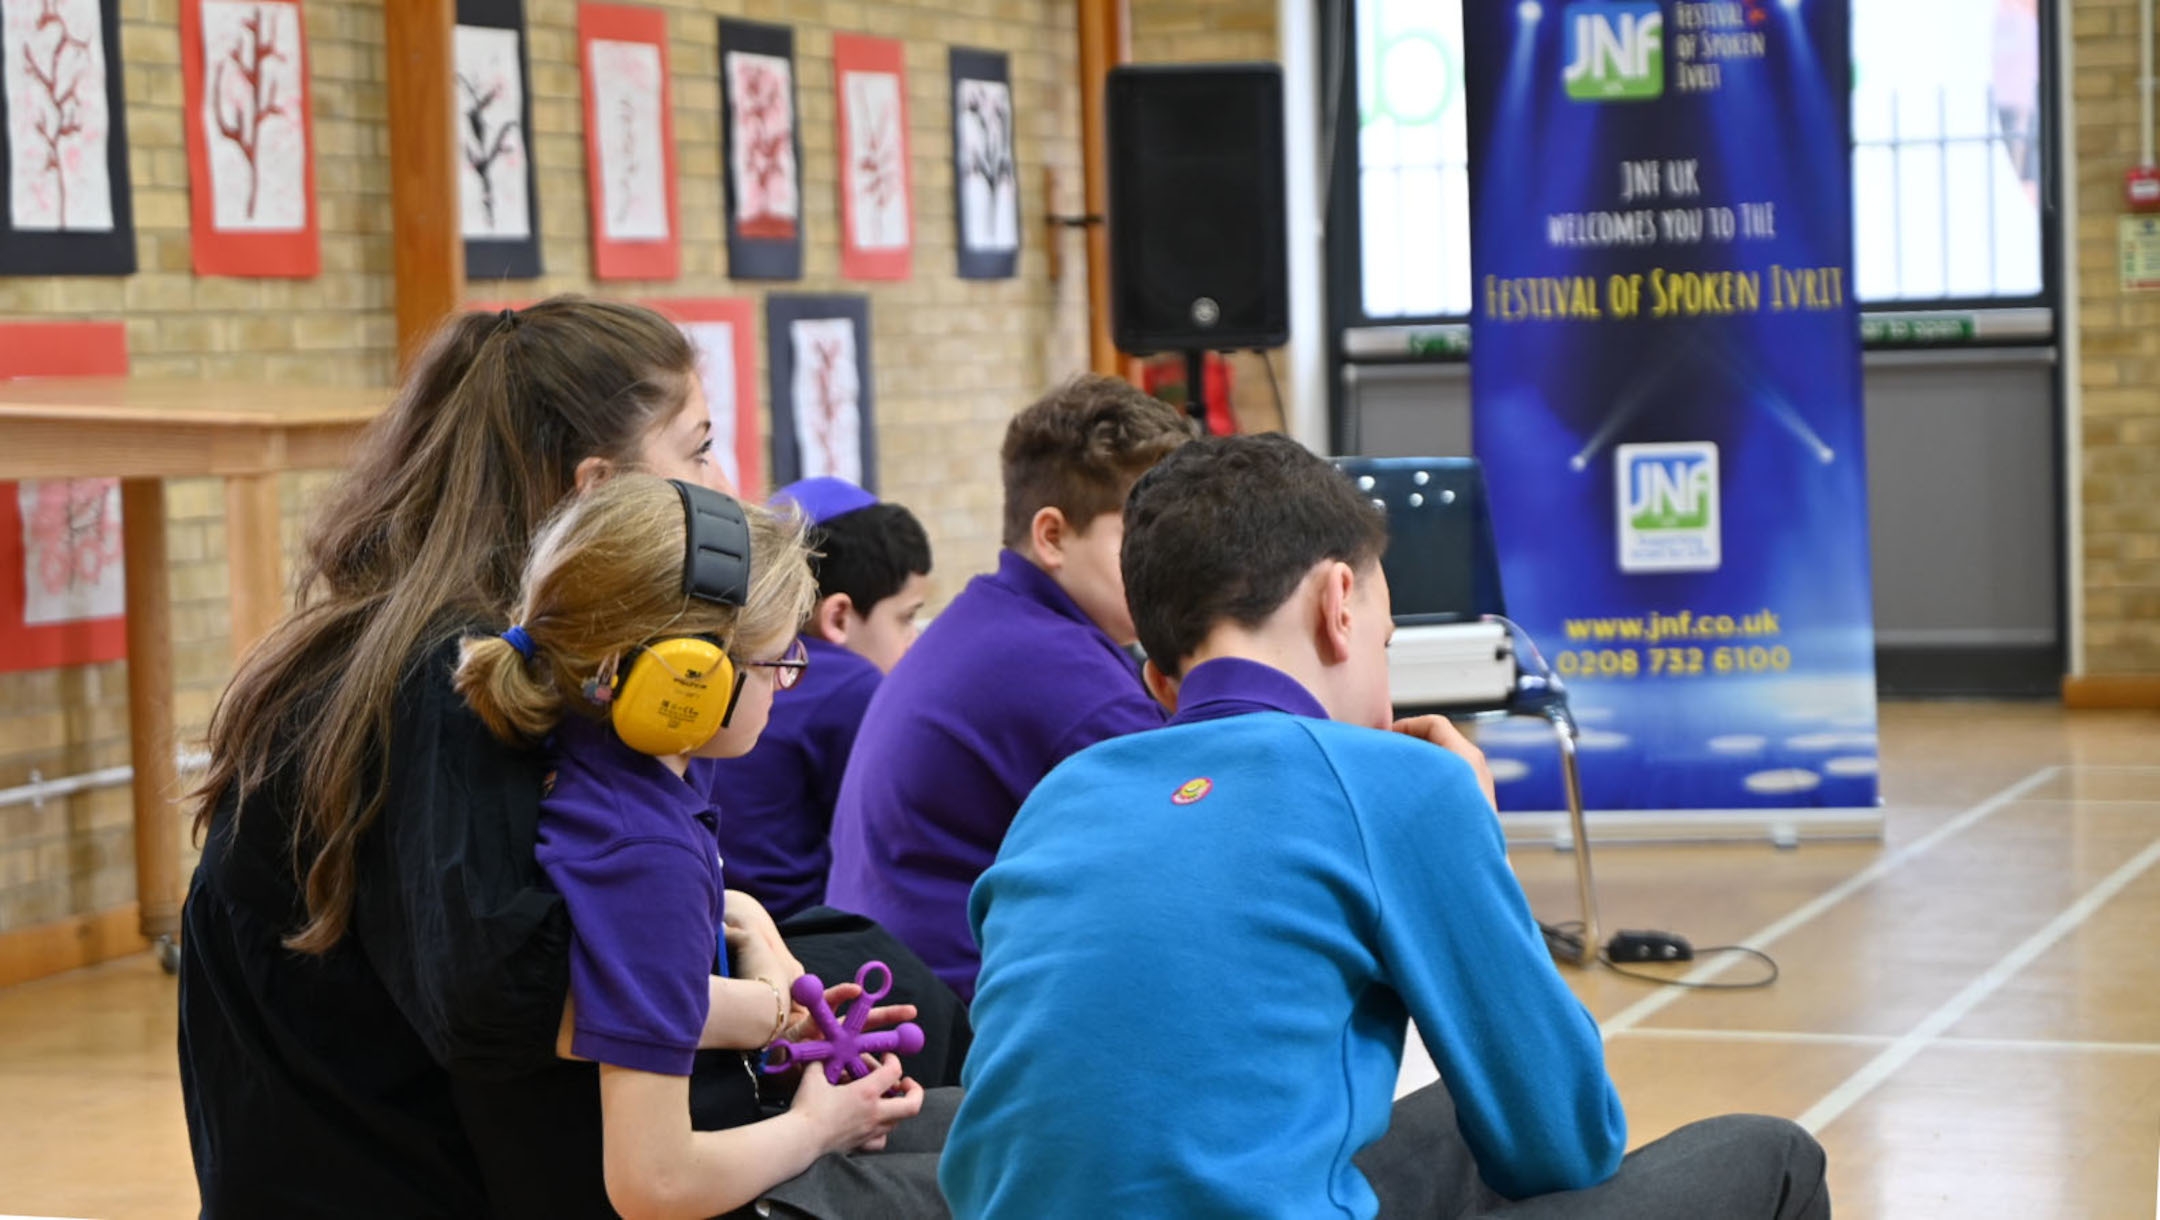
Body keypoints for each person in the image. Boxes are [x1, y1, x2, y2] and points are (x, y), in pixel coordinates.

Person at [178, 297, 958, 1219]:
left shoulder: (479, 640)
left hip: (412, 1116)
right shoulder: (453, 673)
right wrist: (775, 1016)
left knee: (872, 966)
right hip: (394, 1169)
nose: (723, 481)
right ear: (596, 489)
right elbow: (503, 997)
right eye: (700, 449)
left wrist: (751, 938)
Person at [941, 435, 1830, 1219]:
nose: (1386, 683)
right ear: (1338, 604)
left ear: (1159, 683)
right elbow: (1566, 1143)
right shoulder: (1400, 784)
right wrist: (1470, 839)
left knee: (1445, 1119)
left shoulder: (1060, 794)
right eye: (1386, 639)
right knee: (1773, 1157)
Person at [453, 474, 950, 1219]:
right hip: (700, 1192)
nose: (788, 683)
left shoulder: (596, 769)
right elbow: (654, 1183)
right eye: (778, 660)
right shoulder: (643, 850)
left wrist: (755, 955)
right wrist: (817, 1128)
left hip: (700, 1135)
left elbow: (630, 979)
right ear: (683, 679)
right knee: (1025, 1174)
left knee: (996, 1131)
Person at [823, 376, 1194, 1001]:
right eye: (1143, 534)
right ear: (1052, 536)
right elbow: (1197, 856)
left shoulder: (990, 616)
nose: (1171, 560)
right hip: (955, 1026)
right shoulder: (1070, 679)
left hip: (895, 997)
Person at [711, 477, 934, 921]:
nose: (914, 642)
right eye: (905, 619)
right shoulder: (851, 686)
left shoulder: (729, 663)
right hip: (802, 939)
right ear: (837, 616)